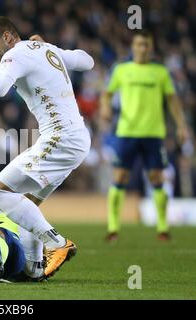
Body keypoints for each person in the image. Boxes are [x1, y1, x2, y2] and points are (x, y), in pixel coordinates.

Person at [0, 16, 94, 277]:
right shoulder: (45, 49)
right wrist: (50, 47)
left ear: (8, 37)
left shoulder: (16, 54)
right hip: (76, 138)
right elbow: (87, 61)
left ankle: (57, 244)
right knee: (28, 204)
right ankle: (33, 269)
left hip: (61, 138)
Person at [100, 30, 189, 241]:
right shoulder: (121, 70)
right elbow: (107, 93)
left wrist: (181, 126)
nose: (142, 48)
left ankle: (163, 227)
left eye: (146, 45)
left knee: (157, 178)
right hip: (126, 132)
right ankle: (113, 227)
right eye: (139, 44)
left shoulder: (160, 72)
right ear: (133, 47)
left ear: (151, 48)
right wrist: (104, 108)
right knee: (120, 177)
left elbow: (172, 101)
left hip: (153, 133)